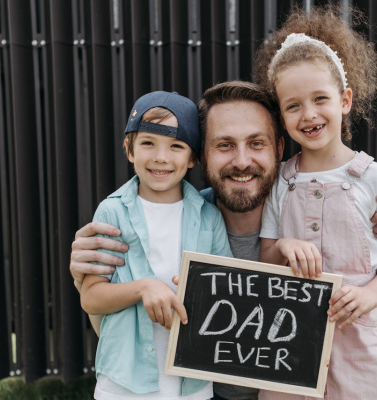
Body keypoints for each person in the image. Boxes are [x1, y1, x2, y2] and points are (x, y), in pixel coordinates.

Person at [70, 82, 377, 400]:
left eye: (256, 143)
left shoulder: (315, 217)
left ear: (279, 148)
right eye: (224, 146)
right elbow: (116, 331)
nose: (241, 161)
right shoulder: (184, 217)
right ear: (201, 156)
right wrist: (83, 279)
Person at [254, 5, 377, 399]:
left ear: (345, 100)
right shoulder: (279, 183)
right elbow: (266, 254)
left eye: (320, 98)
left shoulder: (374, 178)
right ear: (281, 116)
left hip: (359, 343)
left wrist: (372, 294)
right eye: (293, 105)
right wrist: (285, 246)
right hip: (290, 339)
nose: (309, 114)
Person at [80, 91, 232, 399]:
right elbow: (91, 298)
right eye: (148, 143)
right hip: (125, 382)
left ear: (192, 158)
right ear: (130, 149)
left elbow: (227, 291)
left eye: (176, 146)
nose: (161, 157)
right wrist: (143, 288)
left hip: (191, 382)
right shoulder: (112, 212)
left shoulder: (208, 217)